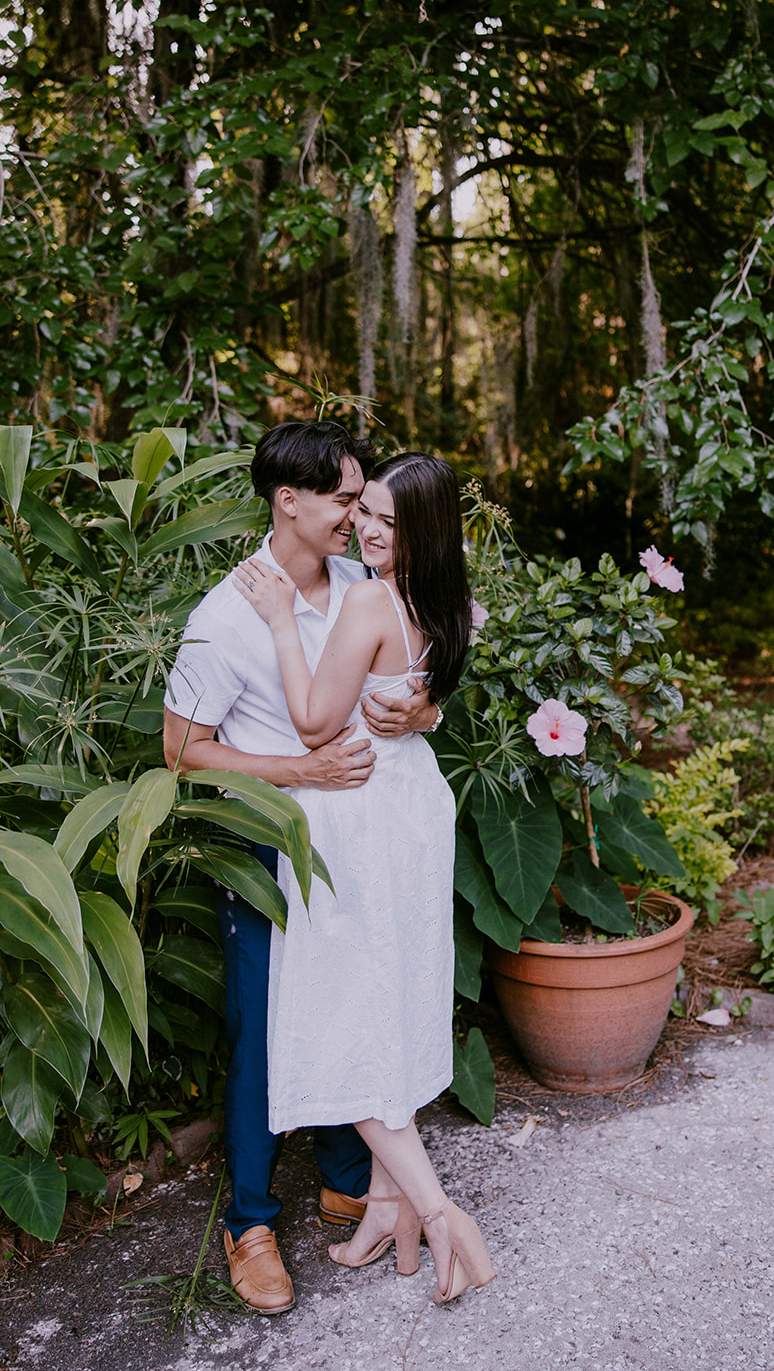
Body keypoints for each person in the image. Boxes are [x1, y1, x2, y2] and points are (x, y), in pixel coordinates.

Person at [163, 421, 440, 1316]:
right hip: (265, 840)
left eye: (364, 499)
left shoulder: (363, 582)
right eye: (345, 498)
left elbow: (410, 667)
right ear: (290, 501)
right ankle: (250, 1223)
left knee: (348, 995)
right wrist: (299, 771)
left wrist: (421, 715)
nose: (358, 515)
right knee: (264, 1023)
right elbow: (182, 752)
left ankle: (346, 1174)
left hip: (354, 838)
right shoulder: (223, 617)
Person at [233, 451, 495, 1308]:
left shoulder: (368, 597)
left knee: (349, 1002)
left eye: (387, 519)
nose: (368, 530)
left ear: (421, 526)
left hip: (356, 810)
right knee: (396, 990)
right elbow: (424, 689)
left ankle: (438, 1211)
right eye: (365, 513)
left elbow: (313, 723)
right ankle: (387, 1206)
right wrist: (427, 707)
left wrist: (278, 619)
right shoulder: (452, 601)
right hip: (413, 802)